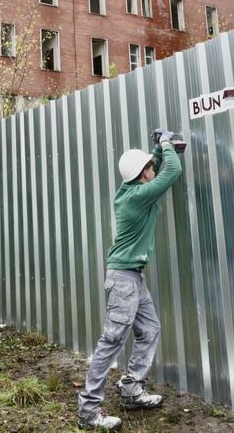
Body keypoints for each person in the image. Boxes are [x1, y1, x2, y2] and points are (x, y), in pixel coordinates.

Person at [77, 131, 184, 431]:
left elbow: (157, 167)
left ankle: (131, 389)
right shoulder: (138, 196)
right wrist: (166, 142)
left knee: (149, 329)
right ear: (141, 176)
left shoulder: (132, 188)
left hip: (133, 278)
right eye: (149, 168)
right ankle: (88, 411)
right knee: (111, 341)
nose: (154, 171)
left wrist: (157, 149)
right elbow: (173, 171)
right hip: (124, 280)